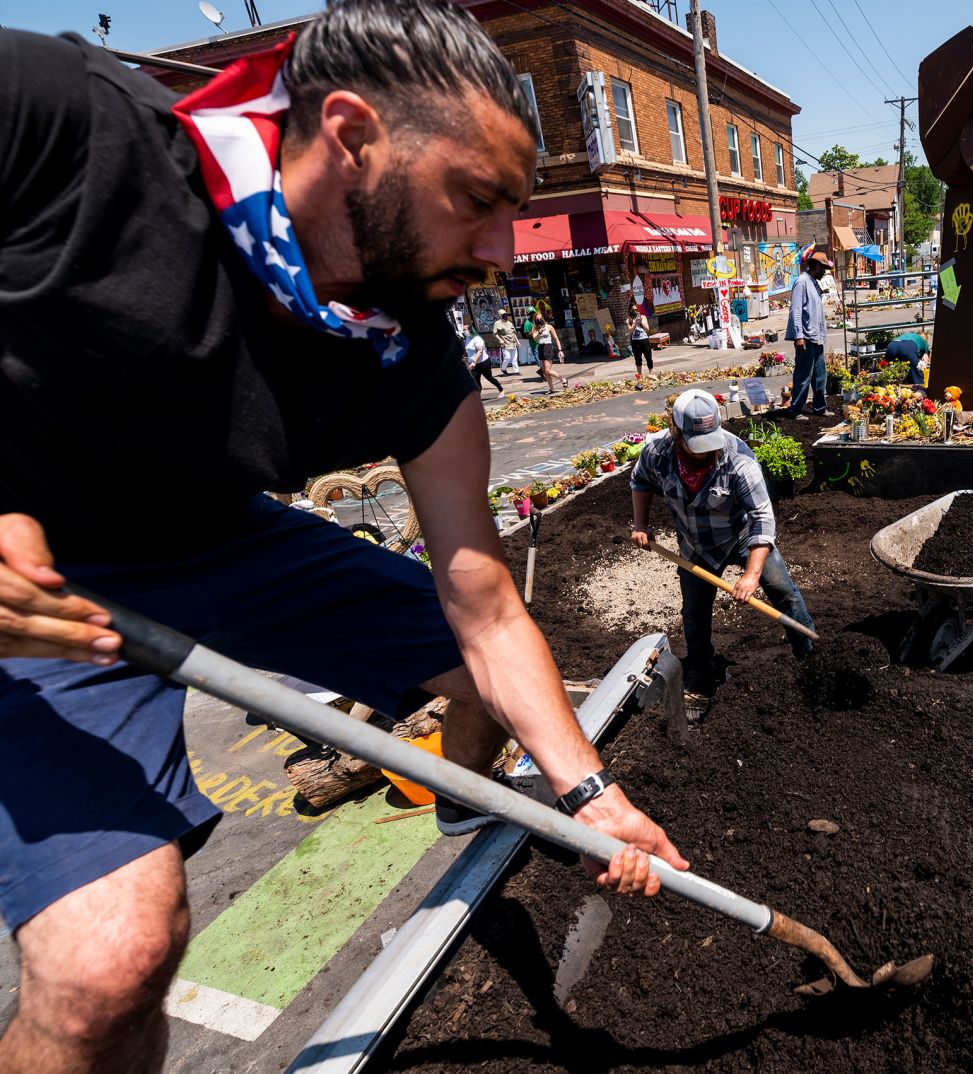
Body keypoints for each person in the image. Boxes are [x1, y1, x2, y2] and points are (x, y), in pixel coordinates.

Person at [0, 7, 687, 1072]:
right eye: (476, 203)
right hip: (41, 580)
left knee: (481, 674)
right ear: (353, 133)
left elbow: (489, 610)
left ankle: (466, 816)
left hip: (221, 537)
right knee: (109, 969)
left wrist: (592, 795)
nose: (503, 253)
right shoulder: (62, 126)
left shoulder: (409, 353)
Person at [630, 390, 815, 694]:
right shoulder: (657, 452)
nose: (706, 451)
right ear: (677, 432)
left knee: (783, 591)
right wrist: (640, 524)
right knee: (694, 615)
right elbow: (640, 481)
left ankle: (808, 654)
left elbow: (762, 519)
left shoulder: (738, 459)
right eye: (697, 444)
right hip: (695, 546)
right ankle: (702, 668)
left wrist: (752, 574)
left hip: (742, 537)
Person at [785, 248, 832, 419]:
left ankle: (820, 407)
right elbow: (796, 311)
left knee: (820, 373)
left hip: (816, 336)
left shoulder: (813, 283)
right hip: (805, 337)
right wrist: (798, 336)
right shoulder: (802, 282)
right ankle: (796, 409)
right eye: (824, 269)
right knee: (804, 375)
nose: (825, 273)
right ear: (816, 267)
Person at [532, 311, 566, 394]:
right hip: (540, 348)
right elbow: (535, 339)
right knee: (544, 372)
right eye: (537, 319)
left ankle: (563, 379)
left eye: (540, 318)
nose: (539, 320)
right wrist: (540, 331)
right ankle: (552, 389)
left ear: (543, 318)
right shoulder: (535, 328)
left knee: (548, 370)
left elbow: (556, 338)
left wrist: (560, 350)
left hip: (548, 347)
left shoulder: (549, 327)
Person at [465, 323, 504, 396]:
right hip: (473, 364)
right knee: (475, 380)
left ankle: (501, 389)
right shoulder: (467, 339)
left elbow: (480, 351)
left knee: (489, 377)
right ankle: (478, 396)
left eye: (465, 330)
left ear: (470, 330)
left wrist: (474, 362)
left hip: (483, 362)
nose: (464, 331)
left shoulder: (477, 339)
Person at [628, 305, 654, 376]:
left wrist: (641, 322)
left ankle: (650, 374)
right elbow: (630, 330)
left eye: (636, 309)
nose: (635, 311)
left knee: (648, 357)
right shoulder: (629, 319)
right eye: (633, 310)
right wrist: (635, 323)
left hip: (644, 340)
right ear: (630, 310)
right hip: (635, 341)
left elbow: (647, 329)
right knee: (638, 359)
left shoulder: (643, 317)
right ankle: (640, 375)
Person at [493, 308, 520, 374]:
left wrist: (517, 341)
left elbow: (513, 333)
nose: (505, 315)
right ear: (500, 315)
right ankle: (503, 369)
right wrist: (500, 340)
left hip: (513, 343)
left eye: (505, 314)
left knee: (514, 358)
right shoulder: (497, 323)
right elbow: (495, 333)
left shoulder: (510, 323)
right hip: (505, 343)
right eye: (503, 314)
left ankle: (516, 371)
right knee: (507, 357)